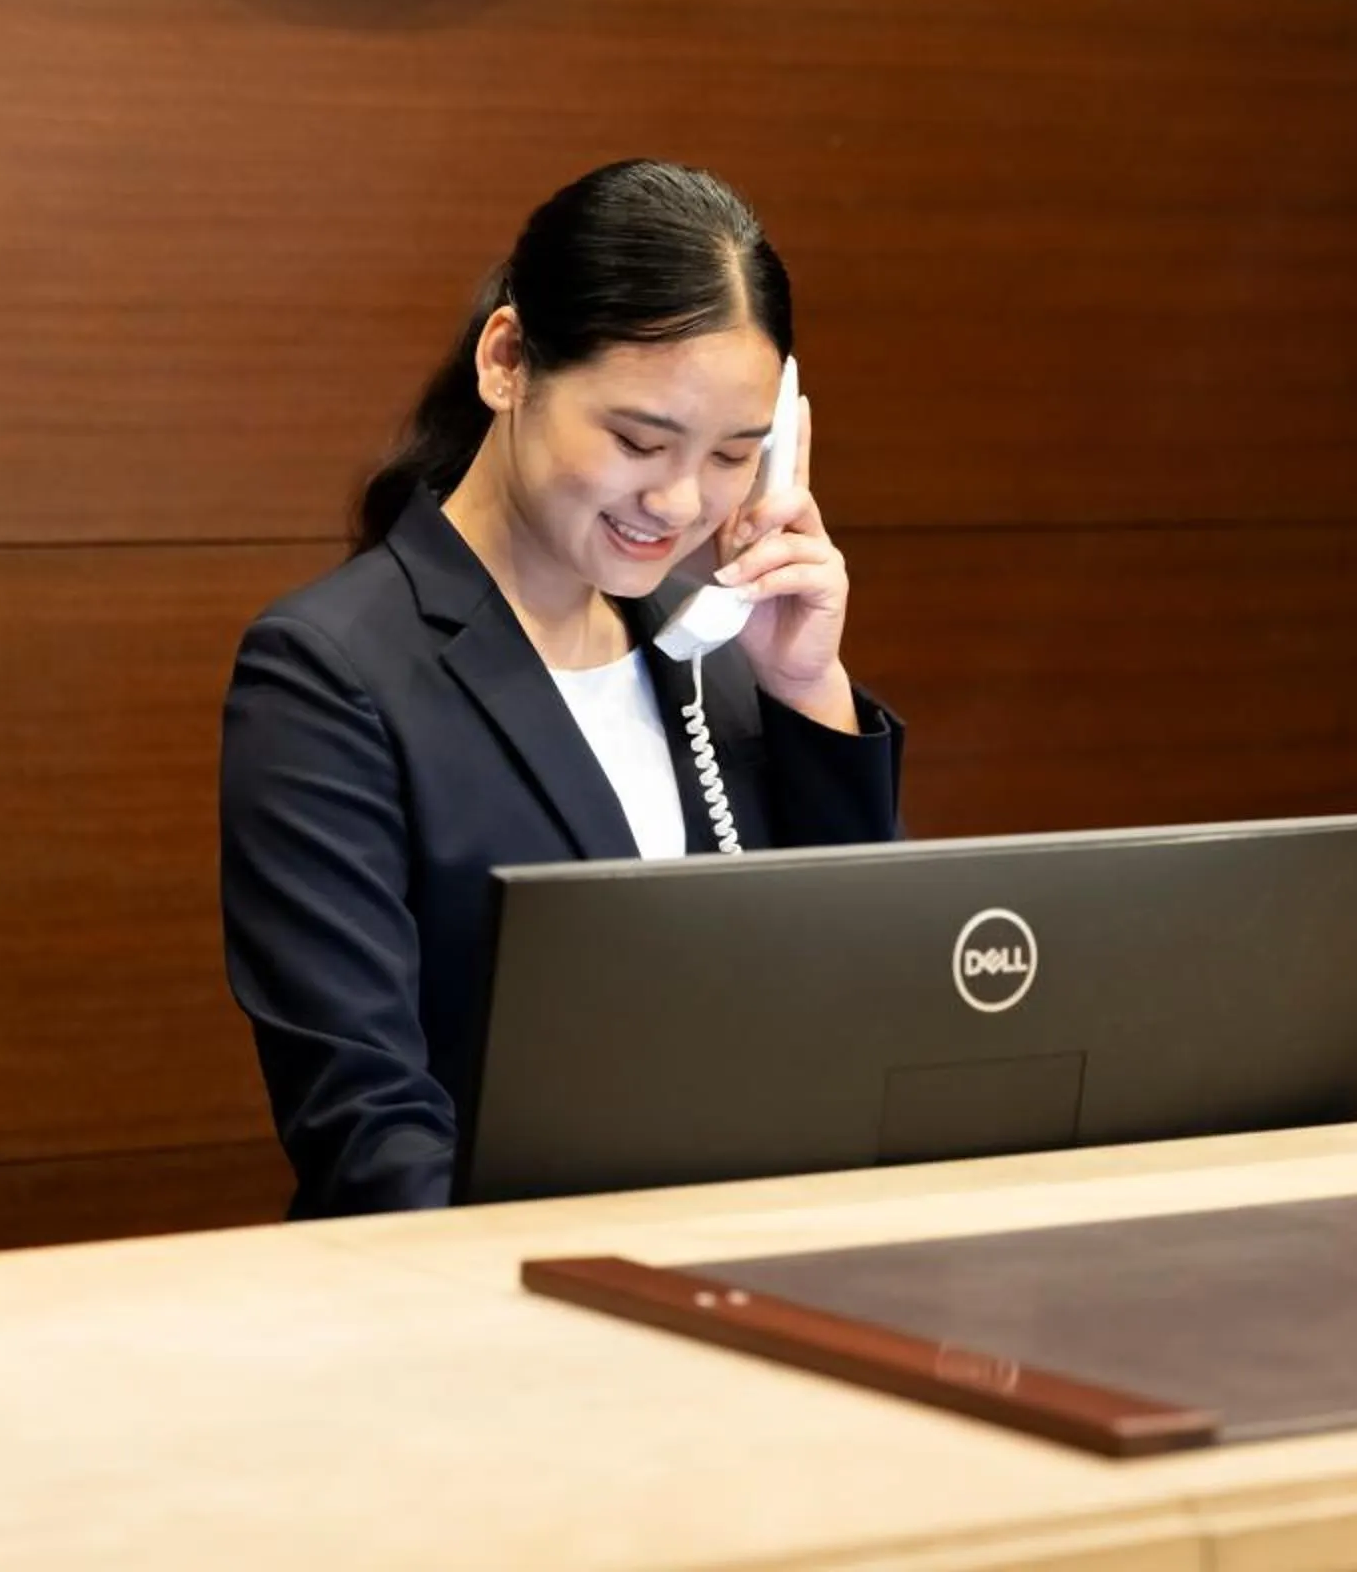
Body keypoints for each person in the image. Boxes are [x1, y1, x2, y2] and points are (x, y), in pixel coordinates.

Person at [219, 160, 905, 1218]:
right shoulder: (330, 669)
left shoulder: (710, 648)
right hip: (491, 1312)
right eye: (638, 439)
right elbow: (368, 1127)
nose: (678, 499)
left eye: (735, 454)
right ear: (507, 361)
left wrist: (806, 685)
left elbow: (870, 1019)